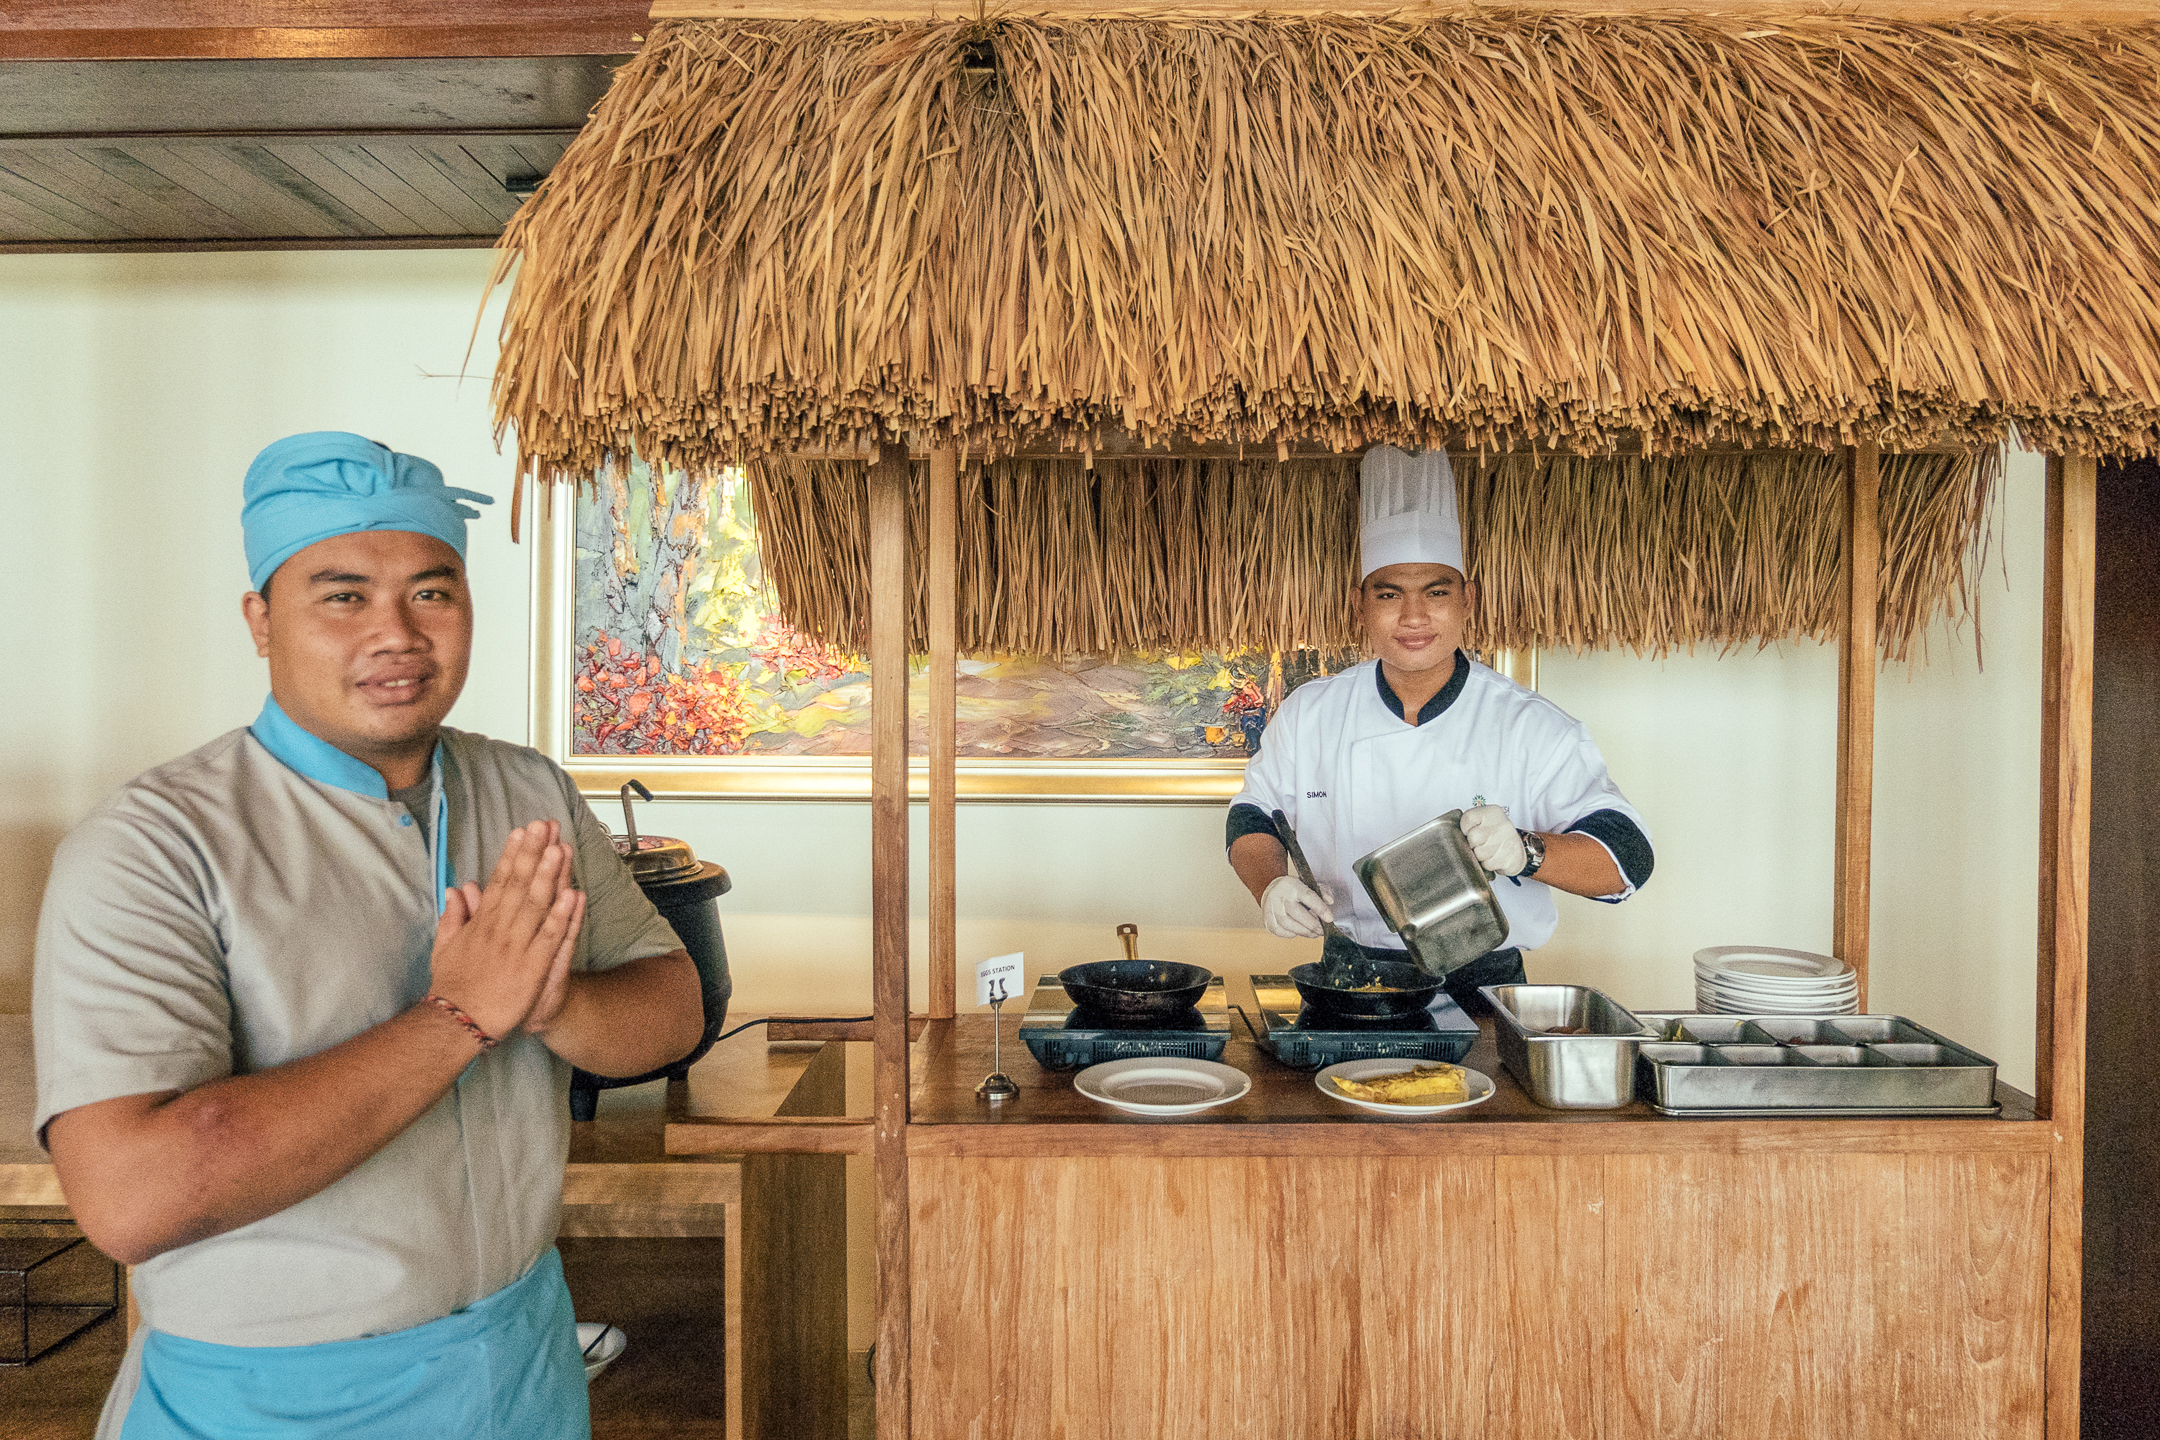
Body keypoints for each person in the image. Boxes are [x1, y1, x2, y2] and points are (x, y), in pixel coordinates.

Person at [33, 432, 702, 1440]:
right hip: (271, 1402)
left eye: (433, 592)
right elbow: (133, 1198)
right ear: (260, 620)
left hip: (522, 1366)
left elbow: (672, 1004)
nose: (396, 633)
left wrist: (555, 999)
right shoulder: (155, 846)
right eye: (342, 596)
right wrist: (461, 1016)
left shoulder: (526, 791)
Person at [1227, 446, 1653, 1008]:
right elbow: (1253, 815)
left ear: (1467, 599)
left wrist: (1527, 850)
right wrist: (1270, 886)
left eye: (1436, 592)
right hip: (1352, 985)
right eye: (1389, 594)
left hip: (1488, 993)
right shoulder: (1312, 713)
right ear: (1361, 607)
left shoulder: (1531, 725)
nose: (1413, 617)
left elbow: (1627, 859)